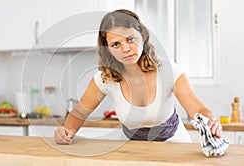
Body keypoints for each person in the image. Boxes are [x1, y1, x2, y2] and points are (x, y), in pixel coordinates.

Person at [54, 9, 222, 144]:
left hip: (175, 146)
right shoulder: (105, 78)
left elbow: (197, 109)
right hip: (134, 151)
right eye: (115, 44)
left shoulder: (167, 70)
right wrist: (66, 131)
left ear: (142, 36)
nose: (125, 49)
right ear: (108, 49)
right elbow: (79, 112)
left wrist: (211, 120)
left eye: (130, 39)